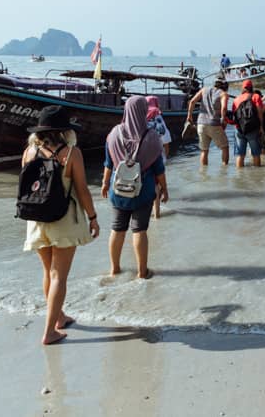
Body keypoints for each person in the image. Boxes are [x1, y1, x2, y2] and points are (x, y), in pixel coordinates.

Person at [21, 105, 100, 345]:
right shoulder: (71, 153)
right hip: (63, 219)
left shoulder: (29, 152)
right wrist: (93, 217)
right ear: (65, 131)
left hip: (36, 219)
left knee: (48, 272)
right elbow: (82, 189)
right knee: (59, 277)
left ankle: (59, 317)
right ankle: (50, 332)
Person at [102, 96, 168, 279]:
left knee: (117, 228)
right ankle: (142, 272)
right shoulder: (152, 137)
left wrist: (105, 183)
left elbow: (108, 164)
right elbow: (159, 169)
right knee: (139, 230)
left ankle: (114, 269)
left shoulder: (113, 134)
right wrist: (165, 189)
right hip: (142, 192)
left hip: (118, 190)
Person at [187, 77, 229, 166]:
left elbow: (192, 101)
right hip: (214, 124)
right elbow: (224, 108)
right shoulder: (223, 94)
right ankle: (224, 170)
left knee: (204, 150)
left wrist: (189, 116)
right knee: (225, 147)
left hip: (201, 124)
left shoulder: (204, 90)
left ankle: (203, 174)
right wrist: (223, 120)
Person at [145, 96, 172, 219]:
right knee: (157, 186)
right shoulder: (158, 118)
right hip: (157, 157)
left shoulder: (138, 118)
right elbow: (165, 140)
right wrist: (165, 157)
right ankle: (157, 214)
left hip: (142, 158)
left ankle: (146, 213)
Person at [231, 79, 265, 167]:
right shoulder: (256, 97)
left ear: (243, 88)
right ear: (251, 87)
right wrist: (261, 127)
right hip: (253, 129)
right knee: (256, 154)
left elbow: (234, 116)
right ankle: (257, 175)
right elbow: (260, 113)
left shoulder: (236, 99)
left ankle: (239, 176)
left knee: (240, 154)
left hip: (239, 129)